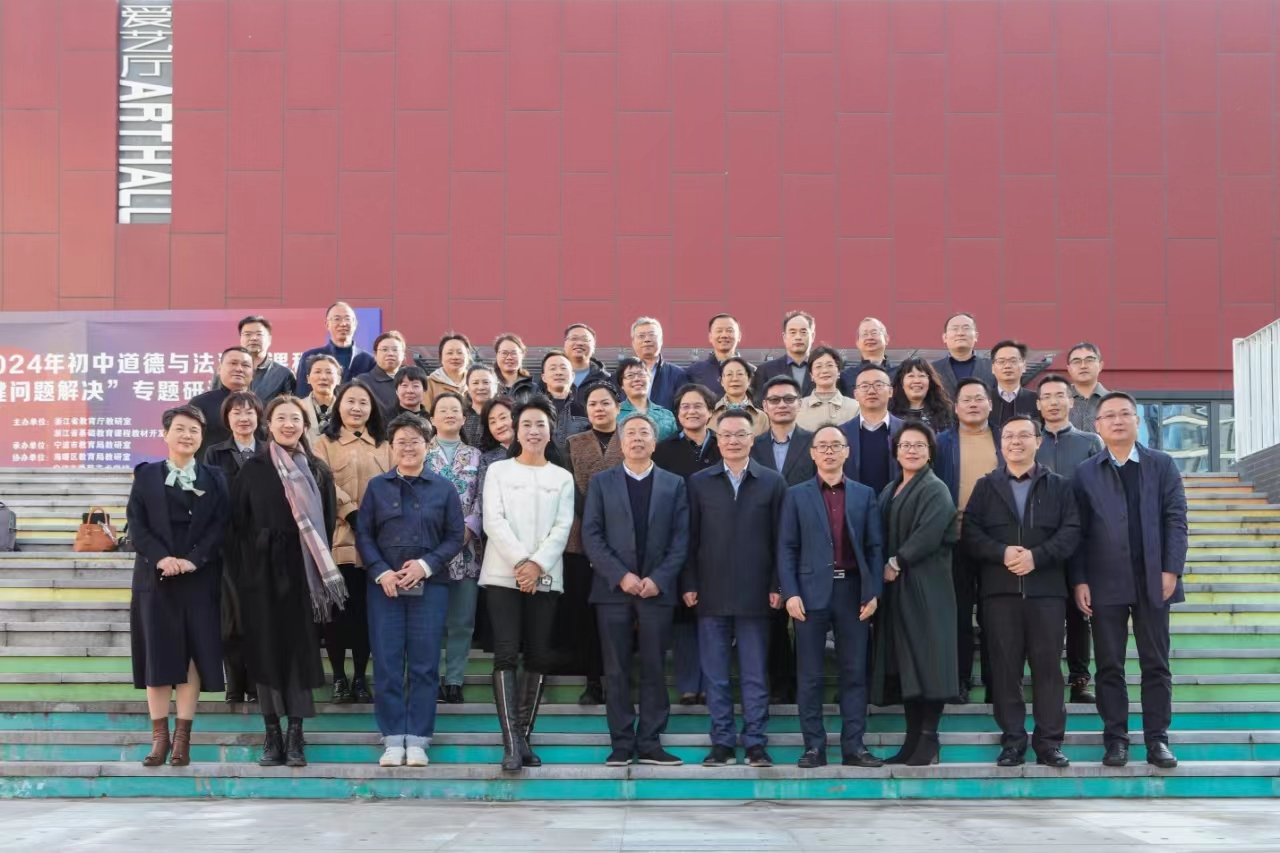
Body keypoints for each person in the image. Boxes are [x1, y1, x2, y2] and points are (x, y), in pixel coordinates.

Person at [1071, 392, 1187, 770]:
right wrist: (1080, 579)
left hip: (1154, 579)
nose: (1118, 421)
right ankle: (1116, 740)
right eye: (1110, 416)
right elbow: (1078, 531)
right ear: (1097, 426)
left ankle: (1157, 740)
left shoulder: (1162, 464)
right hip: (1104, 581)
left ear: (1138, 421)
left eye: (1125, 414)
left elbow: (1175, 519)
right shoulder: (1085, 472)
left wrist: (1171, 569)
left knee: (1156, 663)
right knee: (1109, 665)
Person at [227, 395, 344, 768]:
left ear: (305, 425)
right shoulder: (253, 469)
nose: (288, 425)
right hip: (260, 575)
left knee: (298, 653)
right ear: (269, 424)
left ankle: (295, 734)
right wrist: (255, 557)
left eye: (296, 418)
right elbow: (236, 525)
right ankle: (271, 734)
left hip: (303, 577)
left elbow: (326, 525)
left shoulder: (318, 470)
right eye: (281, 418)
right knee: (264, 653)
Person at [961, 415, 1081, 768]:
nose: (1015, 442)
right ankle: (1013, 741)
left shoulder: (1060, 486)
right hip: (999, 594)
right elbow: (971, 533)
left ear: (1038, 441)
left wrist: (1036, 557)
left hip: (1046, 593)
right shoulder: (986, 486)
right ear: (1001, 444)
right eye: (1009, 436)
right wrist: (1001, 553)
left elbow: (1071, 531)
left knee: (1048, 669)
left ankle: (1049, 743)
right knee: (1004, 670)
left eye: (1024, 435)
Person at [356, 414, 465, 768]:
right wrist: (381, 572)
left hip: (430, 587)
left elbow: (455, 536)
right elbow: (364, 535)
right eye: (401, 441)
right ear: (391, 446)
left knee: (424, 664)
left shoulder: (444, 488)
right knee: (387, 663)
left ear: (427, 446)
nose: (407, 447)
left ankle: (418, 739)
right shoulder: (377, 487)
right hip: (384, 589)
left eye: (415, 441)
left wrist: (425, 565)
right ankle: (392, 739)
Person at [584, 414, 691, 767]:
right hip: (613, 591)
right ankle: (621, 743)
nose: (637, 438)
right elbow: (592, 535)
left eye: (644, 433)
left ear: (654, 442)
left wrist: (659, 578)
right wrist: (621, 576)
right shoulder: (602, 483)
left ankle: (650, 742)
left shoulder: (674, 484)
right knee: (616, 669)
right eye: (630, 433)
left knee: (654, 667)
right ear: (620, 441)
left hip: (657, 591)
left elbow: (681, 539)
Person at [683, 409, 786, 767]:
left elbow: (782, 539)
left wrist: (777, 584)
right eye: (725, 435)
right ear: (717, 440)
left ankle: (755, 742)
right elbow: (689, 537)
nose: (733, 441)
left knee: (755, 675)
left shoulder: (772, 482)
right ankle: (722, 741)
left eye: (740, 434)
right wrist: (689, 582)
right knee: (716, 676)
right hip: (710, 591)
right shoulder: (699, 482)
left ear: (752, 439)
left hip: (757, 594)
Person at [128, 405, 229, 768]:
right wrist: (161, 558)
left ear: (202, 438)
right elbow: (136, 526)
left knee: (191, 657)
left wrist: (194, 559)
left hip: (198, 580)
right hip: (154, 580)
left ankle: (182, 739)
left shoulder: (214, 477)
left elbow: (221, 526)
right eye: (181, 429)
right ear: (165, 434)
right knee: (156, 658)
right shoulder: (146, 475)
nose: (187, 436)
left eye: (194, 431)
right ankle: (159, 739)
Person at [778, 423, 884, 769]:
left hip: (852, 591)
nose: (828, 451)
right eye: (821, 446)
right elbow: (786, 547)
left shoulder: (864, 494)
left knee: (854, 672)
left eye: (835, 445)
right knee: (809, 675)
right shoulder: (796, 495)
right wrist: (790, 592)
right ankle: (814, 747)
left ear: (846, 452)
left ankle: (854, 747)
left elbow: (874, 547)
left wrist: (873, 592)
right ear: (812, 453)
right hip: (809, 594)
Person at [479, 397, 576, 771]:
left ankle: (524, 737)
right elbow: (494, 521)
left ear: (550, 431)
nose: (533, 431)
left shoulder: (561, 477)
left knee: (538, 654)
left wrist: (537, 565)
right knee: (506, 654)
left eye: (540, 424)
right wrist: (521, 562)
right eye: (527, 425)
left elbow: (562, 527)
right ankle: (511, 743)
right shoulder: (499, 471)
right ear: (516, 431)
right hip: (503, 575)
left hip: (545, 576)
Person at [869, 421, 960, 766]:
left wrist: (897, 560)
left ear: (930, 452)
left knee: (928, 662)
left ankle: (929, 739)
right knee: (907, 665)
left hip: (926, 586)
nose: (911, 450)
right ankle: (911, 741)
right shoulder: (890, 488)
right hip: (897, 589)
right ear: (896, 451)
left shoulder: (935, 488)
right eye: (905, 445)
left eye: (919, 445)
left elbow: (929, 532)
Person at [311, 379, 391, 705]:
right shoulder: (323, 444)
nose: (356, 408)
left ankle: (359, 677)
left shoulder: (385, 445)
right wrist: (352, 512)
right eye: (350, 401)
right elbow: (322, 481)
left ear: (372, 409)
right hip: (337, 541)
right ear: (338, 406)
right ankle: (339, 678)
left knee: (364, 616)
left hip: (376, 543)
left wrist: (371, 519)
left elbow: (393, 485)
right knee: (336, 616)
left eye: (363, 402)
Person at [1036, 372, 1105, 703]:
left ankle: (1080, 678)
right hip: (1038, 541)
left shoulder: (1090, 442)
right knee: (1040, 614)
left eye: (1059, 395)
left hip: (1079, 540)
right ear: (1038, 404)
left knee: (1079, 611)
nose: (1053, 402)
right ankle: (1043, 677)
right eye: (1046, 396)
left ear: (1071, 401)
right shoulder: (1029, 440)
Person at [653, 383, 723, 706]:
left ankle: (711, 682)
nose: (691, 411)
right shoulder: (663, 450)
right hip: (677, 539)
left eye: (698, 406)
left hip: (718, 541)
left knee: (712, 613)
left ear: (710, 411)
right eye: (685, 407)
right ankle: (688, 684)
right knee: (684, 613)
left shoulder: (724, 445)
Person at [935, 376, 1002, 704]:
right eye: (967, 399)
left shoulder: (1005, 437)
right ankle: (959, 680)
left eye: (979, 398)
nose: (973, 404)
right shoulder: (941, 442)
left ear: (990, 404)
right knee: (958, 614)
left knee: (995, 615)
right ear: (956, 407)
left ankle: (996, 683)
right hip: (955, 540)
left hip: (997, 541)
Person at [750, 374, 815, 704]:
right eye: (774, 400)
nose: (781, 405)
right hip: (763, 541)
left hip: (808, 540)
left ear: (799, 404)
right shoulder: (752, 445)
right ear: (764, 406)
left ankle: (807, 687)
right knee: (772, 616)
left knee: (807, 618)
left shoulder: (815, 442)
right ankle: (780, 687)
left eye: (789, 399)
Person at [558, 382, 623, 706]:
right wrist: (596, 521)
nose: (599, 408)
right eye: (593, 404)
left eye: (605, 403)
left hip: (623, 539)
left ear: (617, 407)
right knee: (585, 615)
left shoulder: (630, 439)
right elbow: (570, 490)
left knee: (619, 615)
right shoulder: (573, 443)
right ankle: (592, 680)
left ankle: (619, 680)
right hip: (580, 540)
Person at [202, 390, 265, 705]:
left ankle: (255, 685)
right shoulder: (215, 453)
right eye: (237, 412)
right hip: (227, 546)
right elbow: (208, 497)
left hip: (264, 546)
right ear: (227, 419)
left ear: (258, 417)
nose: (243, 418)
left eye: (249, 411)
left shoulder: (270, 451)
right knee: (230, 619)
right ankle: (234, 683)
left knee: (257, 616)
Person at [425, 392, 484, 704]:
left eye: (455, 410)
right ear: (432, 418)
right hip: (428, 549)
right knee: (430, 620)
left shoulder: (476, 456)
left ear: (464, 418)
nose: (449, 414)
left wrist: (468, 529)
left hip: (466, 548)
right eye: (443, 410)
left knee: (462, 620)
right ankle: (430, 678)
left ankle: (455, 680)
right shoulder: (421, 452)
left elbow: (483, 497)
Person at [840, 366, 903, 496]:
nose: (871, 391)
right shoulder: (841, 433)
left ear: (890, 391)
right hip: (854, 504)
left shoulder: (906, 431)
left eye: (878, 385)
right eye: (864, 386)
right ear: (855, 394)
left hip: (897, 504)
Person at [295, 301, 376, 399]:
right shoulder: (310, 356)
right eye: (337, 319)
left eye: (347, 319)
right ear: (327, 324)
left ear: (355, 323)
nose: (343, 324)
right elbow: (302, 395)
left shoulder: (368, 360)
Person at [191, 346, 254, 460]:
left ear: (253, 373)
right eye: (233, 363)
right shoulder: (199, 403)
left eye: (245, 365)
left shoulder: (261, 406)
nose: (239, 369)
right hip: (210, 468)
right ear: (219, 369)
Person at [750, 310, 817, 403]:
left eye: (803, 332)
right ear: (784, 337)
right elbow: (759, 404)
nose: (798, 337)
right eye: (792, 332)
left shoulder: (822, 370)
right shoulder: (766, 370)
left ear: (812, 336)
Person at [228, 315, 296, 402]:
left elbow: (290, 406)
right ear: (240, 338)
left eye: (259, 334)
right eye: (247, 334)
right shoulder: (225, 370)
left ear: (269, 339)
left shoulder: (284, 374)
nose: (253, 338)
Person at [931, 312, 995, 400]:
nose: (960, 333)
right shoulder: (932, 370)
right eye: (955, 329)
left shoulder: (993, 367)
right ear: (945, 337)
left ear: (976, 336)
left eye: (966, 328)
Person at [630, 316, 687, 411]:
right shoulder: (620, 376)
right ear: (633, 342)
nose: (647, 340)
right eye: (641, 336)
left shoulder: (677, 375)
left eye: (652, 335)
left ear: (661, 340)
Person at [797, 345, 860, 431]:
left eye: (830, 365)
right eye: (818, 366)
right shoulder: (798, 408)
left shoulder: (855, 407)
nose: (825, 370)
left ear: (838, 371)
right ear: (811, 375)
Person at [538, 350, 590, 452]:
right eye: (553, 368)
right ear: (543, 378)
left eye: (563, 368)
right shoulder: (534, 410)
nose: (559, 372)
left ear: (573, 376)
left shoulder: (585, 411)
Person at [616, 356, 678, 441]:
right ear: (622, 385)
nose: (637, 379)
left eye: (641, 374)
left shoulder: (666, 415)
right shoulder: (614, 414)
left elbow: (675, 445)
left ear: (649, 379)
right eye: (630, 375)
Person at [684, 313, 742, 398]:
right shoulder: (695, 371)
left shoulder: (752, 372)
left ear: (739, 336)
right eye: (719, 331)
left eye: (729, 330)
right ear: (710, 337)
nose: (724, 335)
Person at [889, 356, 955, 432]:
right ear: (902, 383)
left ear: (930, 381)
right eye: (911, 376)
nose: (917, 381)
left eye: (921, 376)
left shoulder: (945, 412)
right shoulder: (890, 413)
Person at [711, 356, 767, 436]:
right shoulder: (710, 415)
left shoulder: (762, 417)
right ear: (722, 381)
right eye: (729, 374)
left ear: (749, 380)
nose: (735, 379)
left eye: (740, 374)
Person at [988, 340, 1038, 429]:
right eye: (1001, 361)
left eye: (1013, 361)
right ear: (993, 368)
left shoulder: (1036, 400)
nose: (1007, 366)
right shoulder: (985, 399)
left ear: (1024, 366)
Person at [839, 317, 897, 390]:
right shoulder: (845, 376)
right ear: (857, 343)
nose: (869, 337)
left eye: (874, 333)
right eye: (865, 334)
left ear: (886, 339)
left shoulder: (900, 374)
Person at [1066, 342, 1108, 434]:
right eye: (1076, 361)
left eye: (1089, 360)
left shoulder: (1113, 401)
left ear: (1100, 365)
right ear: (1069, 369)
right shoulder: (1060, 402)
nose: (1083, 366)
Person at [565, 323, 612, 404]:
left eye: (585, 339)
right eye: (574, 338)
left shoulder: (606, 379)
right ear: (565, 344)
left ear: (594, 347)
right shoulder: (551, 378)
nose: (579, 343)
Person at [425, 332, 472, 411]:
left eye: (460, 352)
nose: (455, 357)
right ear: (441, 357)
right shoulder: (428, 384)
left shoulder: (475, 383)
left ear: (468, 357)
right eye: (450, 353)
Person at [365, 331, 407, 416]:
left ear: (403, 355)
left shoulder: (412, 381)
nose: (390, 353)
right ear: (375, 355)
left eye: (395, 350)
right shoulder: (364, 382)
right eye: (384, 350)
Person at [302, 354, 342, 440]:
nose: (323, 377)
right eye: (317, 372)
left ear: (338, 379)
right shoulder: (299, 407)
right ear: (308, 379)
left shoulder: (345, 408)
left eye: (329, 372)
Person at [462, 364, 498, 447]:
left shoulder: (504, 414)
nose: (481, 387)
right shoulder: (460, 416)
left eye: (486, 382)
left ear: (495, 386)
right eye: (475, 383)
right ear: (468, 388)